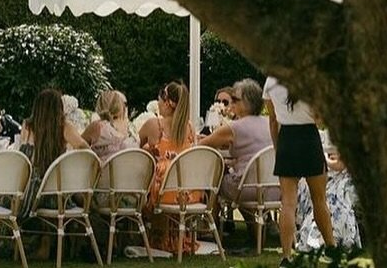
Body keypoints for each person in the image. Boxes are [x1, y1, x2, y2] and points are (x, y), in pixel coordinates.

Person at [263, 73, 334, 255]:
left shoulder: (271, 81)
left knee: (288, 203)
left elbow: (272, 121)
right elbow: (321, 118)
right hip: (309, 138)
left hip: (287, 138)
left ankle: (286, 256)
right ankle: (332, 249)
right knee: (319, 201)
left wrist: (278, 147)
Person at [198, 77, 271, 243]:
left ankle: (212, 226)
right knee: (241, 177)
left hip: (246, 189)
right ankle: (256, 230)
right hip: (273, 189)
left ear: (246, 103)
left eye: (235, 100)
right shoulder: (269, 123)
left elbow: (202, 144)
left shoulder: (235, 127)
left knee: (215, 178)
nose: (231, 104)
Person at [18, 87, 88, 255]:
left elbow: (23, 161)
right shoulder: (63, 127)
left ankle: (26, 243)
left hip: (28, 196)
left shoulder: (28, 126)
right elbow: (84, 147)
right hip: (56, 195)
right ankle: (48, 242)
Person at [140, 79, 199, 256]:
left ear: (167, 102)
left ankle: (149, 236)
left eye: (159, 97)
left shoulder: (154, 125)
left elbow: (135, 147)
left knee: (148, 181)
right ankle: (171, 237)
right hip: (189, 192)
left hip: (164, 193)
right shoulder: (189, 127)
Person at [83, 88, 133, 164]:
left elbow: (78, 147)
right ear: (120, 107)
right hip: (130, 173)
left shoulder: (97, 127)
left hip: (103, 174)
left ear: (99, 107)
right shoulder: (130, 129)